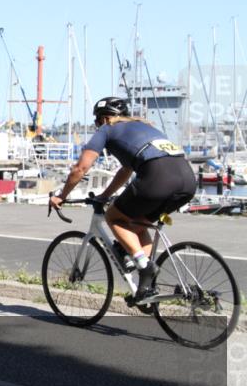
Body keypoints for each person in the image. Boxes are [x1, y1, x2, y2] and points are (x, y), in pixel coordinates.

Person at [50, 97, 197, 302]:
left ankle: (145, 267)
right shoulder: (141, 126)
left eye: (96, 121)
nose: (96, 125)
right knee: (139, 223)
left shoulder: (107, 129)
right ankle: (145, 289)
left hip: (158, 177)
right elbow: (126, 171)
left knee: (114, 218)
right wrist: (105, 195)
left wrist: (61, 196)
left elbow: (80, 169)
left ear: (104, 118)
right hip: (188, 179)